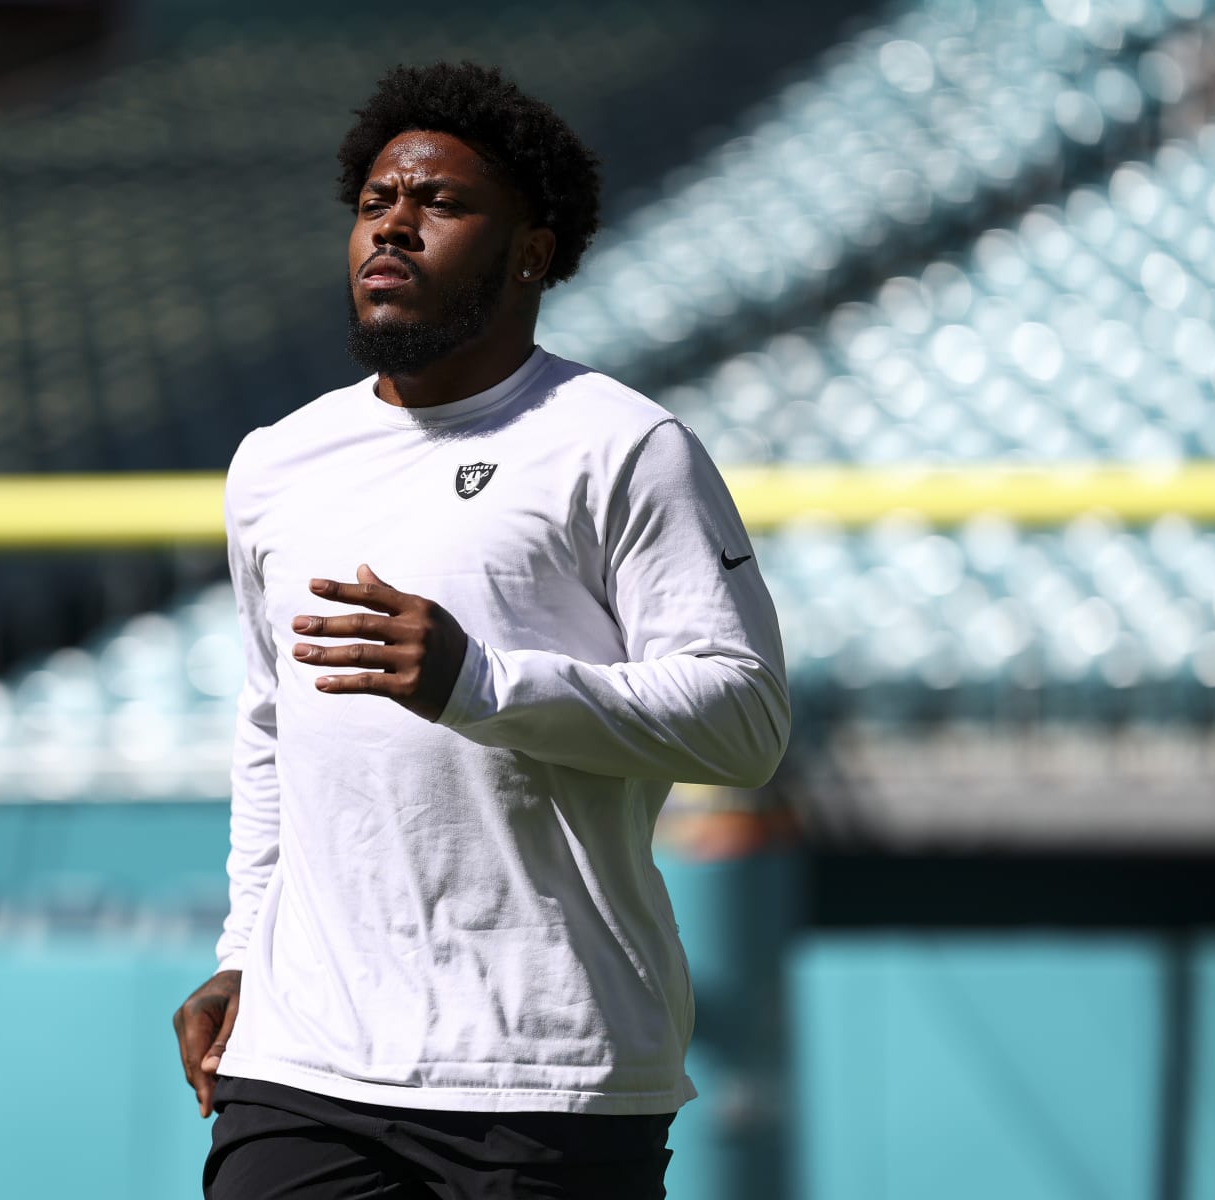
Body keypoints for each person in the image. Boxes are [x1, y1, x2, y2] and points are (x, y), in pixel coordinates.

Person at [172, 61, 790, 1199]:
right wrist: (242, 955)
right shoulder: (275, 461)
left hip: (544, 1069)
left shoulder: (623, 446)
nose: (392, 226)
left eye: (440, 203)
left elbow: (745, 721)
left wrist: (481, 682)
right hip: (304, 1060)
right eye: (375, 202)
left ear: (532, 253)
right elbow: (271, 736)